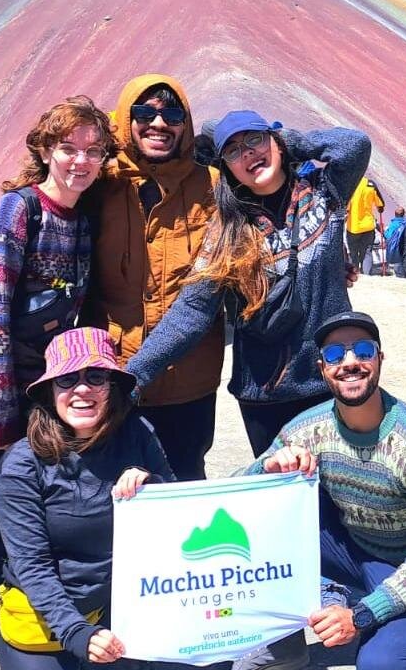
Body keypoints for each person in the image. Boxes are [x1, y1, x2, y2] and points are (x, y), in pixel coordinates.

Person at [0, 96, 115, 641]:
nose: (81, 160)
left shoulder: (80, 218)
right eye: (68, 148)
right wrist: (2, 419)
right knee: (4, 512)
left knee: (47, 505)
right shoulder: (15, 212)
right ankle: (5, 629)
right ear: (44, 151)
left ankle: (58, 624)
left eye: (94, 150)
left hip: (43, 390)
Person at [228, 311, 406, 670]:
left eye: (363, 350)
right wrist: (267, 469)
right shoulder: (308, 427)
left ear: (379, 359)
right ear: (322, 369)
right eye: (335, 354)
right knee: (262, 512)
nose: (350, 362)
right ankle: (285, 644)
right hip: (355, 546)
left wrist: (360, 616)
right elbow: (235, 492)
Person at [129, 112, 371, 458]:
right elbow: (192, 311)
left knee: (343, 483)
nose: (248, 154)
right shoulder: (228, 232)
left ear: (277, 142)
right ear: (227, 168)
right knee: (285, 488)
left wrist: (288, 140)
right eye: (233, 151)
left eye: (255, 140)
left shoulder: (325, 192)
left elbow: (355, 144)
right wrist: (135, 374)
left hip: (334, 376)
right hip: (267, 397)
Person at [0, 327, 174, 670]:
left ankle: (137, 657)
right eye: (67, 379)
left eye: (96, 377)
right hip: (56, 604)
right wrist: (75, 632)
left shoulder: (137, 432)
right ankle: (59, 654)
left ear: (112, 387)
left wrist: (154, 486)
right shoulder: (22, 464)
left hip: (127, 593)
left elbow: (181, 511)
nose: (82, 389)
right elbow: (32, 566)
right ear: (49, 392)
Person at [85, 75, 224, 482]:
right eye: (144, 113)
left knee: (184, 481)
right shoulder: (98, 183)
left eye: (172, 115)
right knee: (113, 488)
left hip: (189, 380)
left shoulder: (212, 186)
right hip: (113, 372)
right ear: (124, 120)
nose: (159, 124)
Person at [346, 175, 386, 274]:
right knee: (367, 252)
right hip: (368, 226)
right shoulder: (371, 184)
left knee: (353, 253)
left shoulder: (350, 185)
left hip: (353, 227)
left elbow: (345, 207)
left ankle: (355, 273)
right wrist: (380, 209)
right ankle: (366, 275)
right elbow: (381, 205)